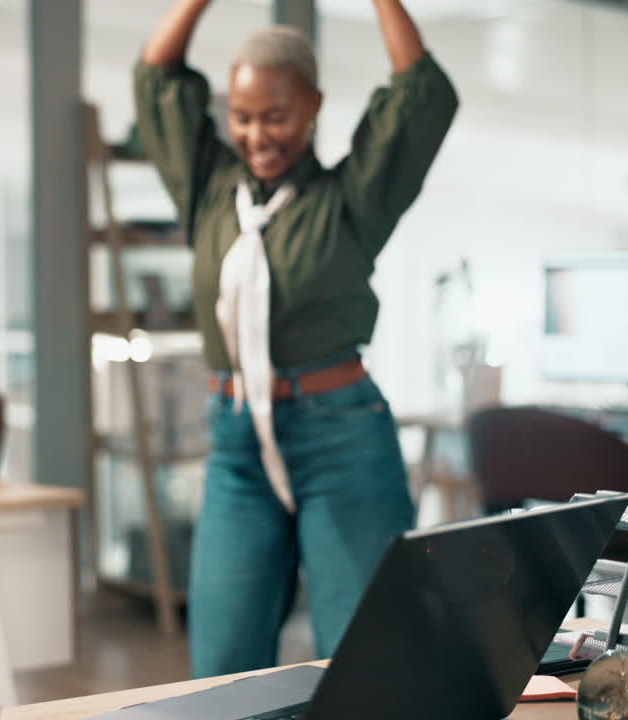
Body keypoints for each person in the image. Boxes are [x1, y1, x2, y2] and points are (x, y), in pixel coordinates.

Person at [133, 0, 459, 678]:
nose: (257, 135)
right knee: (222, 666)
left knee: (360, 663)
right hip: (235, 445)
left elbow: (419, 93)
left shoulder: (352, 199)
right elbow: (157, 74)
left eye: (276, 116)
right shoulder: (208, 188)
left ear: (313, 107)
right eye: (242, 117)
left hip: (341, 440)